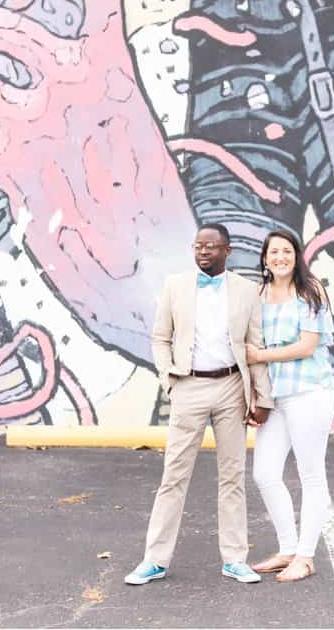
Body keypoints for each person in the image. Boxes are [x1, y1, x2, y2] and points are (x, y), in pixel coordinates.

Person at [125, 224, 272, 586]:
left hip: (231, 387)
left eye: (211, 246)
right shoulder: (176, 285)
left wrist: (262, 397)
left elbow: (255, 348)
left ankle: (235, 559)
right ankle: (155, 560)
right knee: (173, 475)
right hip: (188, 386)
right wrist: (169, 380)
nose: (204, 251)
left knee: (232, 477)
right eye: (198, 246)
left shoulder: (246, 290)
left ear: (228, 250)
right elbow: (161, 337)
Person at [245, 229, 334, 582]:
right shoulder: (259, 293)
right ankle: (287, 549)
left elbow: (306, 345)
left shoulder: (311, 291)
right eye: (273, 252)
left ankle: (306, 555)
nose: (280, 257)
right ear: (265, 258)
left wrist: (261, 355)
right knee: (264, 473)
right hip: (275, 397)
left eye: (286, 251)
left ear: (296, 255)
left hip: (309, 392)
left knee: (311, 474)